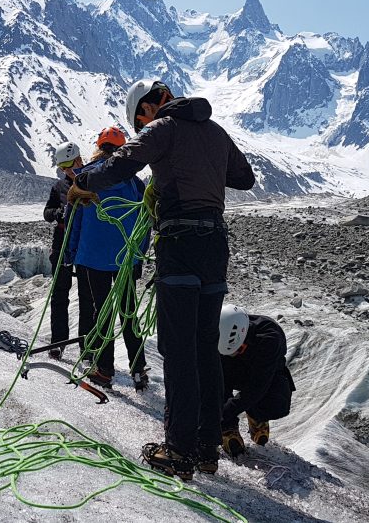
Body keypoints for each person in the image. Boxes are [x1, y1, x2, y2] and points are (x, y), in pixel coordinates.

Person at [70, 79, 255, 480]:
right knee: (206, 349)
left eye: (140, 118)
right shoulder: (216, 131)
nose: (141, 125)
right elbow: (243, 178)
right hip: (214, 245)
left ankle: (179, 451)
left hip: (180, 244)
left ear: (149, 107)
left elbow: (120, 164)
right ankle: (207, 449)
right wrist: (196, 167)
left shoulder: (163, 129)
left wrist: (82, 183)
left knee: (179, 350)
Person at [68, 127, 148, 391]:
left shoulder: (85, 178)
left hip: (93, 255)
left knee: (101, 312)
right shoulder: (135, 183)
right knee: (129, 312)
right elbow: (145, 220)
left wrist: (71, 252)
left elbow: (75, 220)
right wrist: (139, 255)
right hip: (126, 256)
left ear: (99, 147)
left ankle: (105, 371)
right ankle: (138, 371)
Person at [217, 304, 295, 466]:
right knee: (215, 382)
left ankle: (257, 416)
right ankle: (228, 428)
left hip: (264, 373)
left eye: (237, 350)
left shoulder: (270, 337)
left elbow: (257, 386)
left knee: (277, 403)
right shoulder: (216, 331)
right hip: (229, 371)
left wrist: (223, 413)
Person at [43, 141, 81, 360]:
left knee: (88, 297)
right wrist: (58, 214)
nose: (67, 170)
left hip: (83, 243)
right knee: (59, 295)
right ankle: (58, 342)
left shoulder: (90, 182)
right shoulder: (58, 187)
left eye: (69, 164)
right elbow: (47, 212)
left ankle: (87, 343)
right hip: (62, 242)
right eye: (63, 166)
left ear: (78, 159)